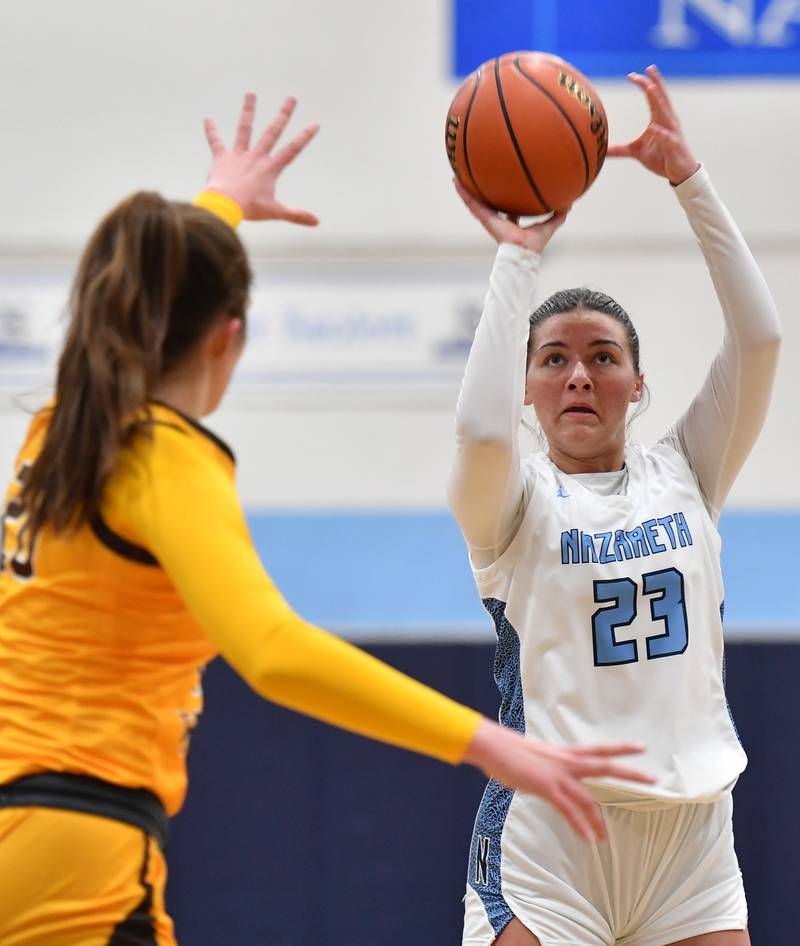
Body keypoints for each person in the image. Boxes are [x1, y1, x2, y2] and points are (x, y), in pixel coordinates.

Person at [0, 94, 652, 946]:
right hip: (75, 840)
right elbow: (271, 651)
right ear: (229, 339)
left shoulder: (61, 431)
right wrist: (490, 744)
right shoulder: (167, 458)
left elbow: (154, 295)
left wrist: (220, 203)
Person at [450, 66, 780, 946]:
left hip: (693, 842)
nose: (579, 374)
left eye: (602, 356)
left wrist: (689, 180)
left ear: (639, 384)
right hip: (552, 841)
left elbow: (761, 338)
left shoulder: (689, 470)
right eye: (552, 359)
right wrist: (518, 253)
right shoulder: (513, 506)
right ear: (527, 390)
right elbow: (478, 434)